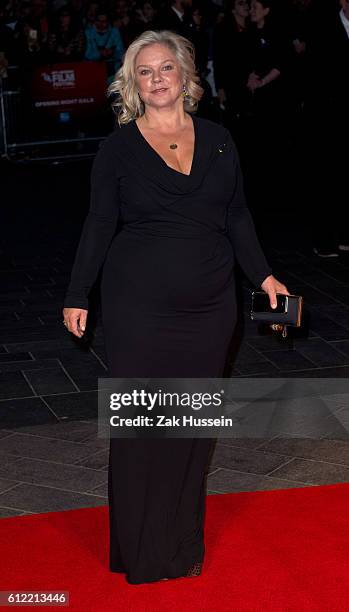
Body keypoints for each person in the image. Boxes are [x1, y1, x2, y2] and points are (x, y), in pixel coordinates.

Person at [62, 29, 289, 585]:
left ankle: (181, 543)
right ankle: (139, 551)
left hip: (211, 307)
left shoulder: (217, 139)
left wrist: (263, 273)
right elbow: (99, 223)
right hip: (138, 305)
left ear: (186, 77)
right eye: (146, 71)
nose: (158, 78)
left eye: (167, 68)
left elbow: (236, 215)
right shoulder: (117, 149)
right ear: (132, 85)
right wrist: (76, 293)